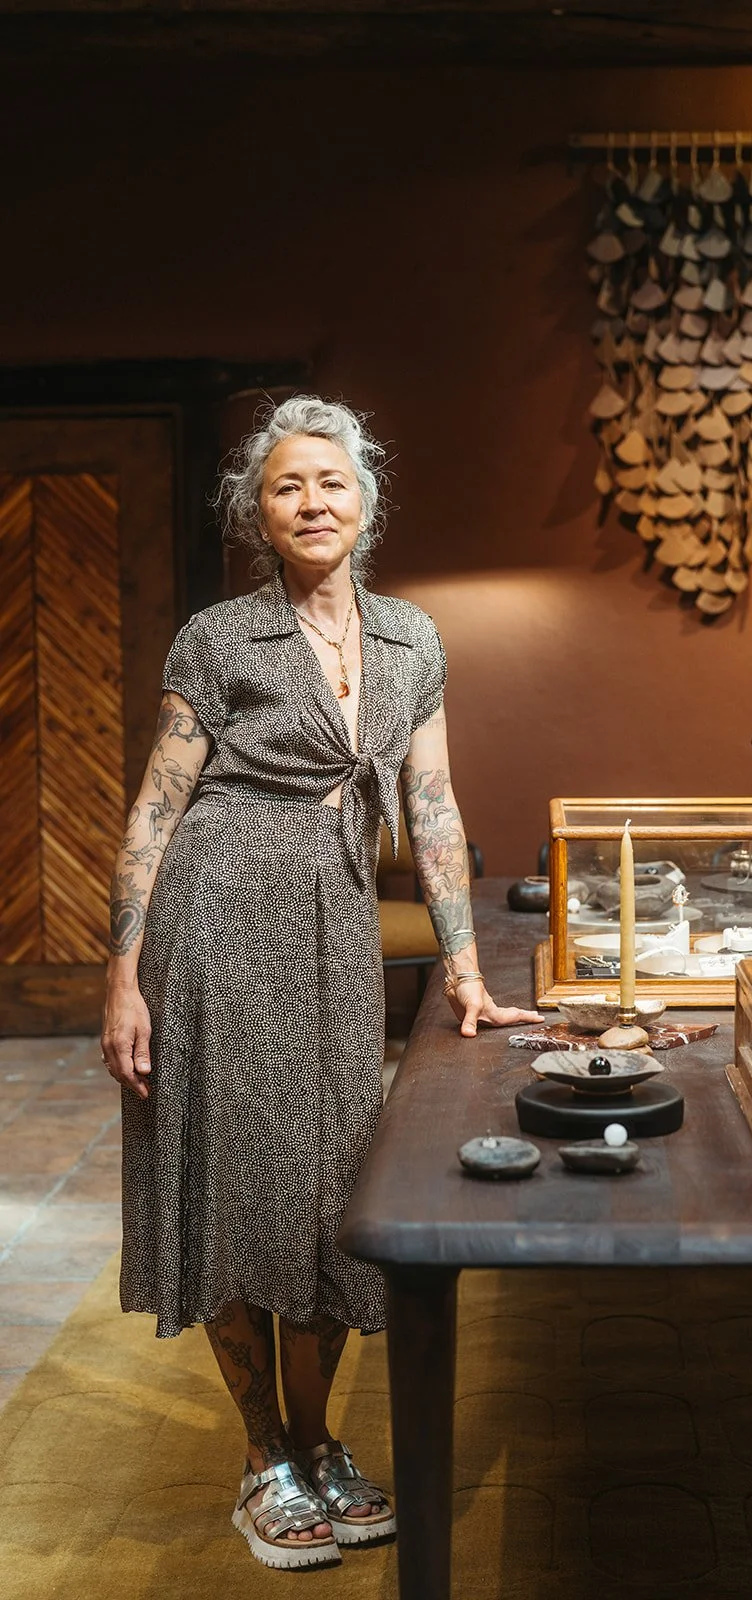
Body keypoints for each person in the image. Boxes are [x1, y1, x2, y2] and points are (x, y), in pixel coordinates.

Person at [101, 395, 540, 1570]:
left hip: (334, 929)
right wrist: (123, 971)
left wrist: (464, 965)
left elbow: (432, 807)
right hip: (216, 919)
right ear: (257, 510)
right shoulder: (217, 637)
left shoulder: (411, 640)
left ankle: (321, 1437)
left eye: (331, 483)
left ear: (367, 501)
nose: (311, 502)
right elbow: (156, 804)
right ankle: (267, 1457)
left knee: (332, 1190)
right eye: (287, 486)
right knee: (240, 1183)